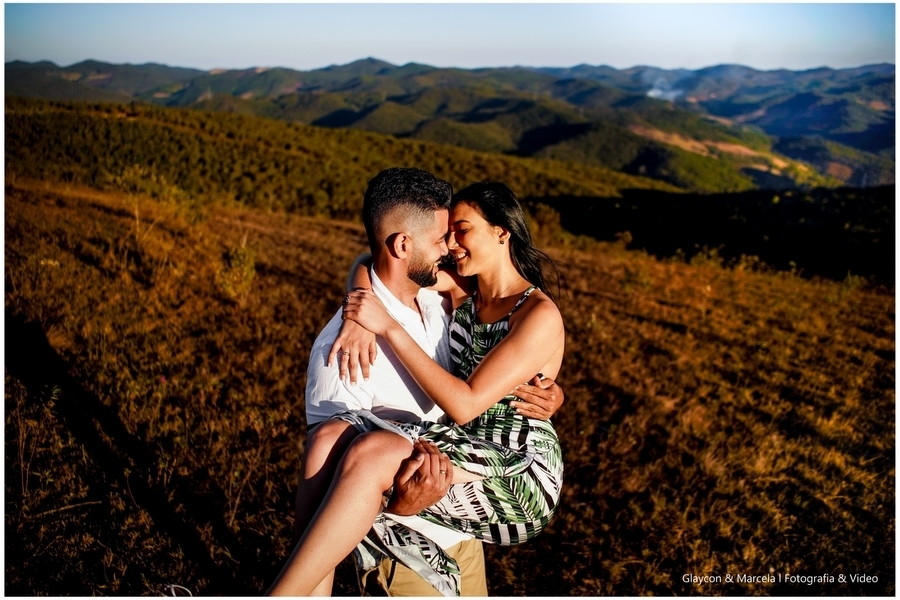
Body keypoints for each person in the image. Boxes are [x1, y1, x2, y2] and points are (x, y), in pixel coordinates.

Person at [270, 171, 566, 596]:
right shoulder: (462, 290)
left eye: (461, 231)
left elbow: (467, 405)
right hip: (462, 458)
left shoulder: (532, 313)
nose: (452, 245)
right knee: (328, 441)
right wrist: (358, 310)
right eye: (447, 235)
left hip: (517, 468)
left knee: (369, 451)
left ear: (502, 232)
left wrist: (385, 326)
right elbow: (373, 259)